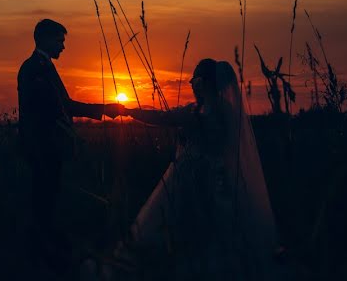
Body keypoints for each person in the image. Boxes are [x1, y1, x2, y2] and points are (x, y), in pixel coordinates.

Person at [119, 58, 281, 279]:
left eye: (193, 80)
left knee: (193, 226)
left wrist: (129, 111)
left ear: (203, 83)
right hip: (216, 176)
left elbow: (163, 118)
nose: (191, 85)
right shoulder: (226, 111)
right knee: (214, 228)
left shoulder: (198, 111)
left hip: (192, 176)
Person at [17, 18, 123, 270]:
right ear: (44, 39)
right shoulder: (34, 69)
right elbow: (61, 107)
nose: (63, 46)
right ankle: (41, 255)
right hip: (41, 147)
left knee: (47, 197)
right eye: (59, 40)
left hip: (48, 147)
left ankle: (43, 249)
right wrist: (104, 109)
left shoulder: (43, 67)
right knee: (43, 198)